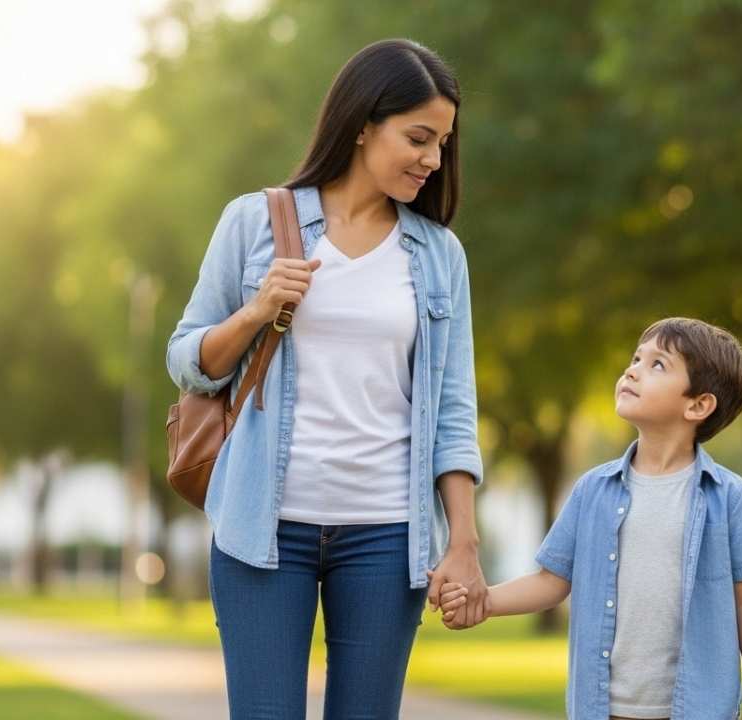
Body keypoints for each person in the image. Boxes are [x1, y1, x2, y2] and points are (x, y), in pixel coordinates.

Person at [165, 38, 486, 719]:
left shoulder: (437, 255)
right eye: (418, 138)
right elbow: (188, 359)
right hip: (263, 527)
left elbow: (453, 409)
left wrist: (463, 541)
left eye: (442, 145)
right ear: (364, 124)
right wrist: (257, 310)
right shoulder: (254, 221)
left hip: (385, 532)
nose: (433, 159)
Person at [438, 317, 742, 719]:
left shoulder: (729, 497)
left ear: (699, 404)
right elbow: (552, 580)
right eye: (636, 358)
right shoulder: (592, 491)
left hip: (696, 708)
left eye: (657, 365)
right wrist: (485, 602)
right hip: (604, 707)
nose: (632, 370)